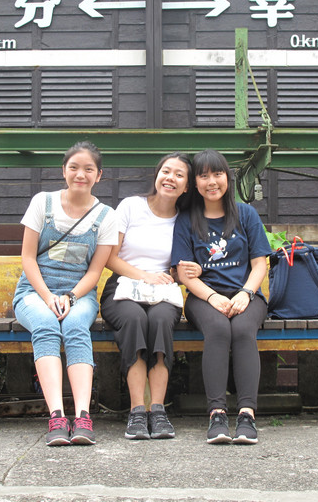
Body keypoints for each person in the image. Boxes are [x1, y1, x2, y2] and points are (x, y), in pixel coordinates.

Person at [12, 141, 118, 446]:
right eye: (74, 167)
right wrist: (48, 297)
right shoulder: (42, 203)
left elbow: (95, 272)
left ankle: (83, 416)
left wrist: (70, 297)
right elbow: (28, 258)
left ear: (99, 175)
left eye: (88, 169)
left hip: (80, 295)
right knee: (46, 325)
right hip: (34, 292)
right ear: (64, 171)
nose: (80, 174)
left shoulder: (106, 216)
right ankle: (57, 416)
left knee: (74, 326)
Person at [171, 149, 271, 445]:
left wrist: (246, 293)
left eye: (218, 174)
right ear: (195, 183)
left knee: (242, 330)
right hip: (203, 298)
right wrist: (212, 297)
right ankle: (217, 414)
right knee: (217, 329)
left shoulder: (246, 214)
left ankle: (246, 415)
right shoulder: (187, 220)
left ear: (228, 177)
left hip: (247, 296)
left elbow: (259, 264)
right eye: (204, 176)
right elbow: (184, 273)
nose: (212, 181)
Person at [100, 153, 200, 440]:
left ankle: (157, 410)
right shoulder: (131, 206)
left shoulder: (185, 220)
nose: (170, 178)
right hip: (123, 287)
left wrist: (192, 271)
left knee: (160, 321)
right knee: (133, 319)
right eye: (166, 171)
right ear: (157, 175)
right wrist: (144, 276)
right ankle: (136, 411)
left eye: (179, 175)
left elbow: (181, 268)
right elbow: (109, 257)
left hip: (163, 291)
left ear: (186, 187)